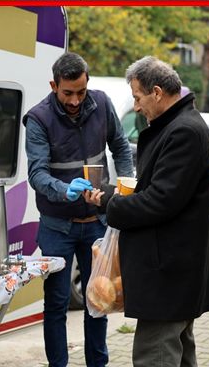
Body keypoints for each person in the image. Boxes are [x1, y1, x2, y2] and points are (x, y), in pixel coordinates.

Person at [85, 57, 209, 367]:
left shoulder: (183, 131)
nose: (136, 107)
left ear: (157, 92)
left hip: (170, 275)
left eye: (137, 97)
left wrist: (109, 202)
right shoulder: (179, 125)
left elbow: (159, 202)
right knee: (180, 354)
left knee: (154, 356)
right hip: (175, 275)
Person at [24, 52, 134, 367]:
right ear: (53, 85)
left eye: (80, 92)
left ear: (88, 84)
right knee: (56, 304)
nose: (75, 100)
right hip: (57, 227)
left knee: (98, 301)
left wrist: (125, 182)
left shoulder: (101, 104)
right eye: (67, 93)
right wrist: (64, 189)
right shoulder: (38, 118)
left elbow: (121, 145)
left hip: (98, 223)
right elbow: (37, 174)